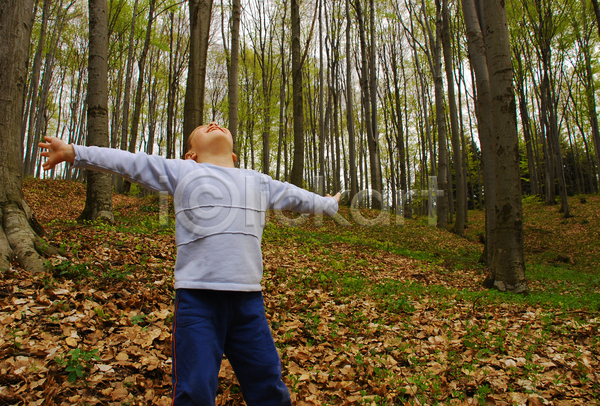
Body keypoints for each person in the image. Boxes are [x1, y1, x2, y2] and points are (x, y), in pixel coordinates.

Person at [39, 123, 340, 406]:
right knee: (194, 388)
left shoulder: (258, 181)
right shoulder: (184, 171)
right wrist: (75, 152)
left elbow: (297, 197)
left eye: (219, 125)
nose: (213, 124)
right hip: (197, 301)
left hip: (248, 304)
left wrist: (328, 204)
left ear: (234, 155)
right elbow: (128, 162)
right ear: (191, 155)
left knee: (267, 382)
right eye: (203, 127)